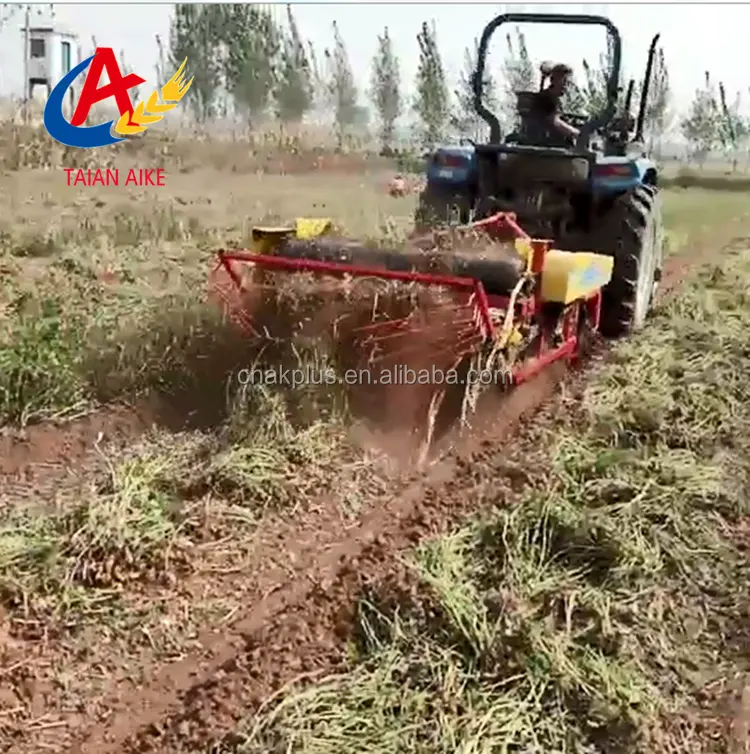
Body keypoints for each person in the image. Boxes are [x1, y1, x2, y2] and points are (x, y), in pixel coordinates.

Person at [533, 62, 580, 142]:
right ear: (553, 80)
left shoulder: (557, 100)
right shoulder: (545, 98)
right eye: (564, 80)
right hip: (544, 144)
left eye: (568, 82)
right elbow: (554, 122)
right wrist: (575, 133)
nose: (566, 85)